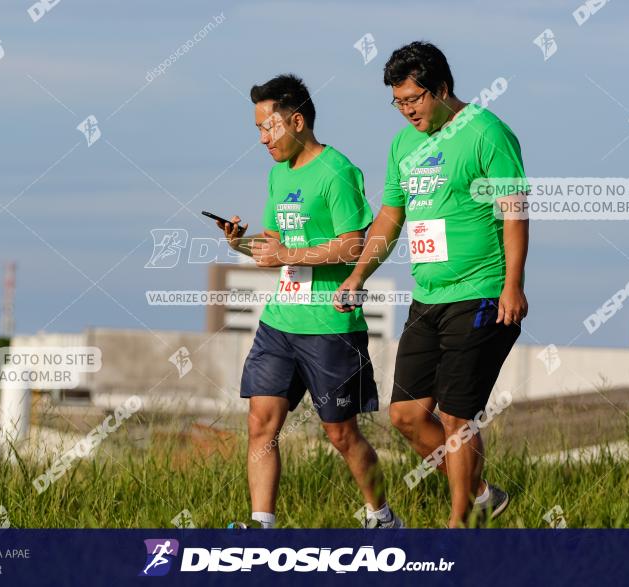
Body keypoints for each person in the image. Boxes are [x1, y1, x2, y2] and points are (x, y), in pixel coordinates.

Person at [336, 42, 529, 528]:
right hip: (428, 299)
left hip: (481, 292)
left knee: (457, 417)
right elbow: (389, 217)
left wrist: (512, 285)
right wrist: (358, 275)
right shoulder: (404, 145)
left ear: (442, 89)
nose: (407, 111)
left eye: (414, 100)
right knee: (404, 414)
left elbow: (514, 211)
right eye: (398, 102)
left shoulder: (486, 132)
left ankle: (459, 526)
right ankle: (482, 493)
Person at [217, 73, 402, 529]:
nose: (262, 139)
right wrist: (241, 243)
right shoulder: (279, 175)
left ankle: (381, 516)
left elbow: (355, 245)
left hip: (330, 325)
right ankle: (262, 525)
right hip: (281, 321)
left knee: (340, 432)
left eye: (268, 127)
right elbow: (275, 245)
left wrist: (287, 253)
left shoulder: (337, 171)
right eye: (258, 129)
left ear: (296, 121)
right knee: (261, 422)